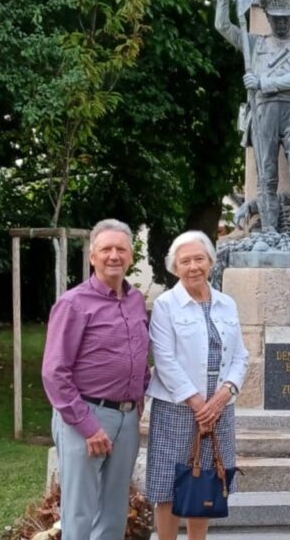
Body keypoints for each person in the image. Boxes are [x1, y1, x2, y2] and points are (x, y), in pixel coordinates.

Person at [42, 219, 149, 540]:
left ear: (131, 256)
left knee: (114, 512)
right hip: (85, 416)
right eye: (106, 249)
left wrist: (138, 399)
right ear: (92, 257)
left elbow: (140, 354)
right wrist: (88, 427)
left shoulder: (135, 300)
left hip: (127, 418)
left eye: (121, 249)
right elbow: (54, 372)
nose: (114, 256)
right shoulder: (73, 303)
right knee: (80, 513)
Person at [146, 231, 249, 540]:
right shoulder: (165, 305)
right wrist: (199, 405)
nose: (193, 267)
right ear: (174, 267)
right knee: (168, 485)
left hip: (219, 410)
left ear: (211, 262)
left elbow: (241, 356)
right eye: (185, 261)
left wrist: (224, 395)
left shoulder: (227, 303)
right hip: (176, 409)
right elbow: (164, 359)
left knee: (205, 479)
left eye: (199, 259)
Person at [216, 0, 290, 252]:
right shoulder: (255, 43)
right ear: (267, 17)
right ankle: (270, 232)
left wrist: (263, 82)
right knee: (266, 179)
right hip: (263, 114)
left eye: (286, 18)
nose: (281, 23)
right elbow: (223, 27)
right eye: (276, 18)